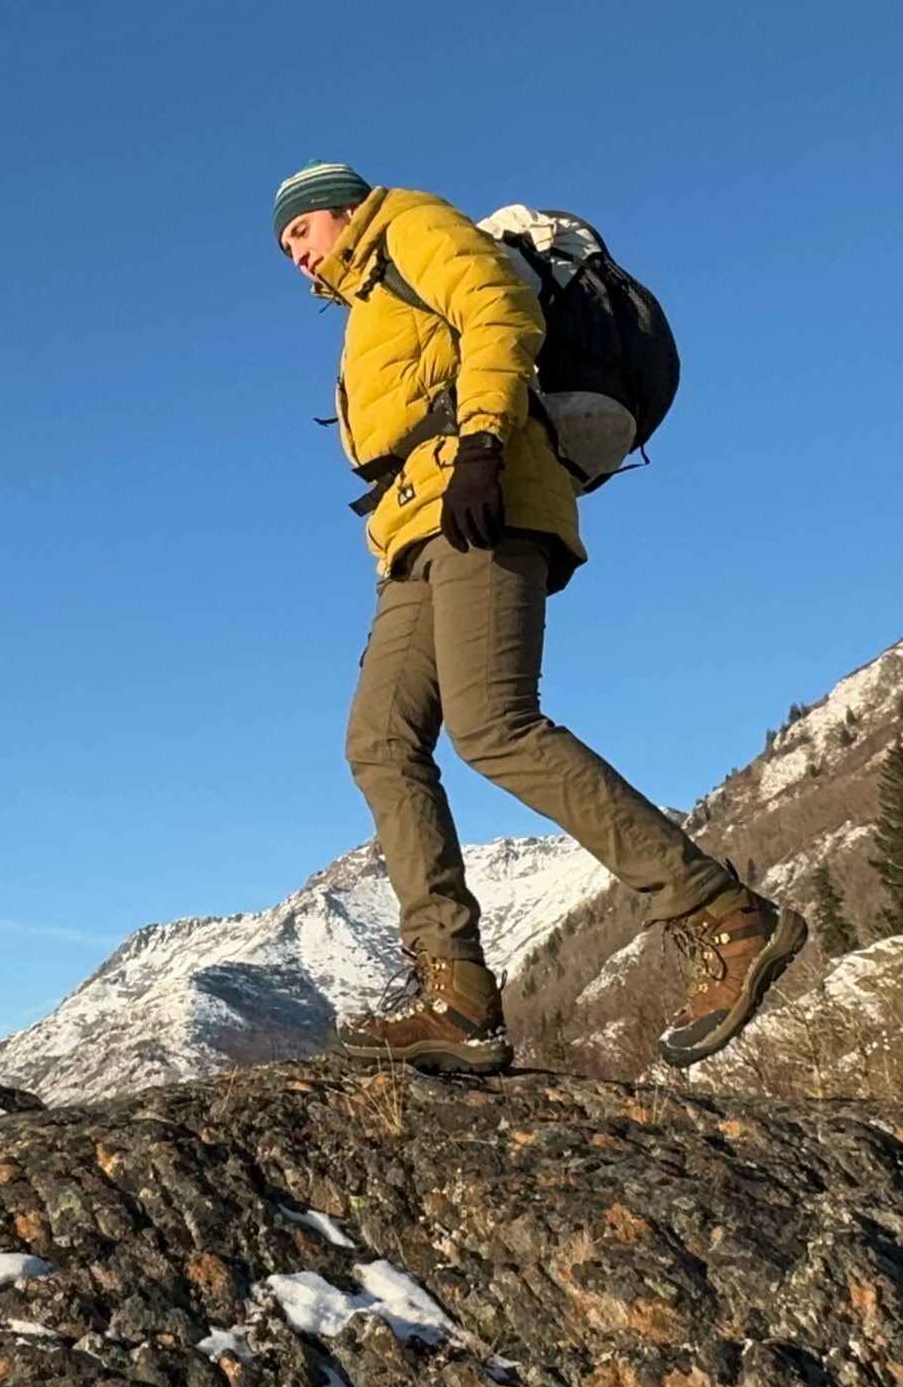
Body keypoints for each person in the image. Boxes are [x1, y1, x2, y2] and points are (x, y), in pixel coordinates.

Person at [273, 161, 804, 1073]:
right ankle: (457, 996)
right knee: (380, 743)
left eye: (300, 233)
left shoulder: (411, 226)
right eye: (285, 245)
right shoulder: (368, 300)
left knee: (494, 725)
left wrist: (482, 441)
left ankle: (726, 916)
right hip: (414, 530)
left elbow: (497, 310)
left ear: (342, 212)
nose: (295, 255)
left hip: (484, 495)